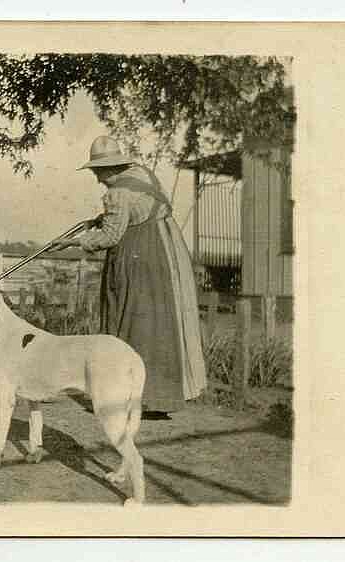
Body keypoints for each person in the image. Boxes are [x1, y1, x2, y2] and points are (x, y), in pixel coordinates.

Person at [49, 136, 207, 414]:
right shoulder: (143, 175)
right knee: (156, 321)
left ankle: (126, 397)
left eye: (98, 172)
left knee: (131, 319)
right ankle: (154, 396)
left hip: (137, 256)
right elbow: (135, 211)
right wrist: (99, 219)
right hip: (163, 251)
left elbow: (111, 235)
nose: (98, 179)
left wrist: (76, 242)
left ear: (110, 168)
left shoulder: (116, 193)